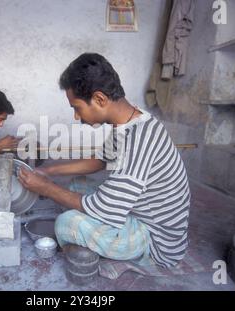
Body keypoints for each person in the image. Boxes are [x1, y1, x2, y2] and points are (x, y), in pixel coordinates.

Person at [18, 53, 191, 268]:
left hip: (155, 240)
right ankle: (91, 238)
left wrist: (46, 188)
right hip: (138, 212)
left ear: (99, 99)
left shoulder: (138, 139)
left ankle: (100, 250)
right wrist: (49, 173)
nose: (75, 116)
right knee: (76, 184)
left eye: (76, 107)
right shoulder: (130, 120)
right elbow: (99, 161)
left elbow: (102, 208)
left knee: (66, 223)